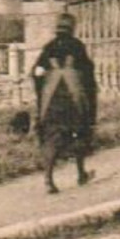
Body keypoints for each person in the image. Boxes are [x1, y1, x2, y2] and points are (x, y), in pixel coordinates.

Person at [32, 12, 98, 193]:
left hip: (51, 102)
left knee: (52, 137)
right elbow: (89, 76)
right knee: (79, 132)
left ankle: (48, 180)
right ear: (72, 28)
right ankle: (80, 173)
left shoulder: (48, 48)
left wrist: (42, 90)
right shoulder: (78, 47)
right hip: (74, 100)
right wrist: (91, 103)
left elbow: (36, 74)